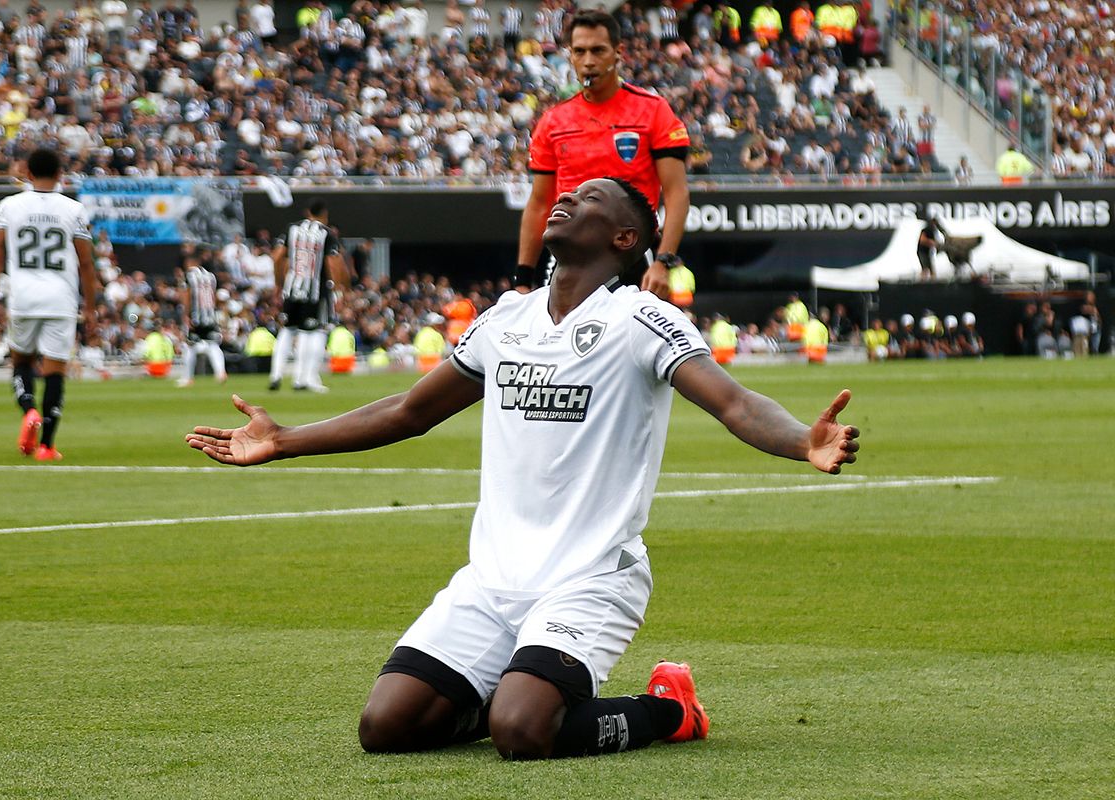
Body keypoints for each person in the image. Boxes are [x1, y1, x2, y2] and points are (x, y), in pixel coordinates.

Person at [186, 177, 860, 761]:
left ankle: (669, 710)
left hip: (590, 578)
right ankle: (508, 685)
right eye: (565, 193)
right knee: (386, 726)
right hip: (493, 579)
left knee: (522, 732)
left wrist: (804, 441)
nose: (564, 198)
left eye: (589, 198)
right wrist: (286, 439)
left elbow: (735, 403)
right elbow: (407, 411)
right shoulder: (505, 319)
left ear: (626, 239)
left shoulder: (641, 319)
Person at [517, 9, 690, 299]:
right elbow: (538, 204)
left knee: (632, 343)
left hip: (630, 251)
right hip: (568, 253)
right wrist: (522, 278)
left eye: (598, 50)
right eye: (580, 51)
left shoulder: (653, 111)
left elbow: (677, 194)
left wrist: (664, 261)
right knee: (560, 341)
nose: (588, 61)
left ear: (617, 52)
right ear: (570, 55)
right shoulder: (553, 121)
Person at [0, 147, 97, 462]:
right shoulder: (73, 210)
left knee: (21, 361)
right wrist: (90, 307)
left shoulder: (10, 206)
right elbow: (86, 264)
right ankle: (46, 446)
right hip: (61, 299)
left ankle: (29, 408)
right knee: (56, 371)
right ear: (61, 175)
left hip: (23, 296)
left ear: (27, 173)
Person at [268, 201, 350, 392]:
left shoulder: (292, 228)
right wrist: (338, 289)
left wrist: (279, 282)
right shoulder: (326, 233)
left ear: (307, 212)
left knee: (287, 331)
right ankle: (304, 378)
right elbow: (333, 263)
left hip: (292, 288)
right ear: (325, 214)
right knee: (315, 332)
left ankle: (276, 374)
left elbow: (277, 256)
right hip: (316, 291)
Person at [176, 259, 229, 387]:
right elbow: (213, 296)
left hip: (196, 317)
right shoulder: (210, 276)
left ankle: (188, 378)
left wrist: (186, 315)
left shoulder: (189, 276)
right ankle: (221, 372)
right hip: (210, 316)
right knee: (213, 346)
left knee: (189, 347)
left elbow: (187, 295)